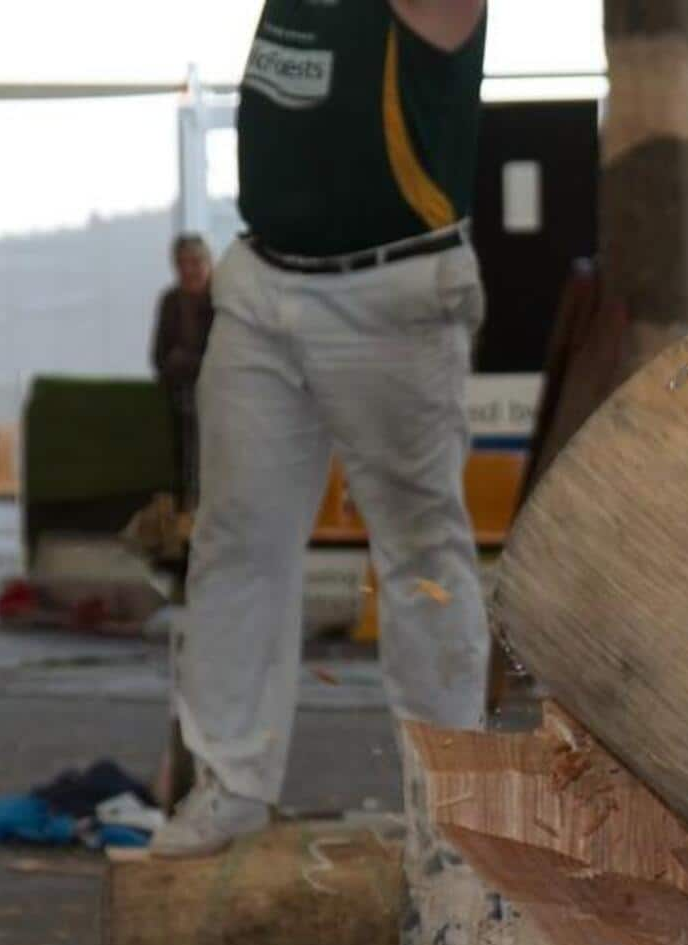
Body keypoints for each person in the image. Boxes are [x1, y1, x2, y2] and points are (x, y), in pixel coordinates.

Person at [153, 0, 491, 857]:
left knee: (420, 555)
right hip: (264, 283)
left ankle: (446, 815)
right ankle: (229, 783)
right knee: (235, 541)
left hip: (390, 295)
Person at [149, 234, 214, 505]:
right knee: (185, 412)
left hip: (218, 388)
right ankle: (186, 502)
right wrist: (185, 363)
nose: (189, 270)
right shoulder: (170, 301)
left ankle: (197, 500)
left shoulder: (222, 300)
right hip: (179, 388)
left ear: (209, 263)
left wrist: (184, 360)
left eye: (196, 262)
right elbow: (159, 357)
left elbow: (220, 357)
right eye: (182, 263)